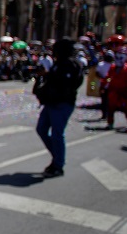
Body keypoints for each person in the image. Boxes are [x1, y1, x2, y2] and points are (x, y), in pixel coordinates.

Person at [33, 37, 84, 177]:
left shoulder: (71, 65)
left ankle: (58, 165)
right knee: (41, 129)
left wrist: (50, 78)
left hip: (62, 104)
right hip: (51, 102)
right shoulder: (59, 63)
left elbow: (65, 84)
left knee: (57, 134)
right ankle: (57, 157)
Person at [103, 46, 127, 131]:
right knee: (111, 107)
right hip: (113, 90)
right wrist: (105, 84)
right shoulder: (112, 67)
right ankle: (110, 123)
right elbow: (108, 77)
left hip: (124, 90)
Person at [95, 50, 115, 123]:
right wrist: (104, 78)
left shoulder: (113, 66)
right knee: (104, 101)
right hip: (104, 85)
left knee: (108, 101)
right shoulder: (101, 64)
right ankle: (104, 115)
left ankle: (108, 115)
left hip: (110, 86)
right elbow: (97, 73)